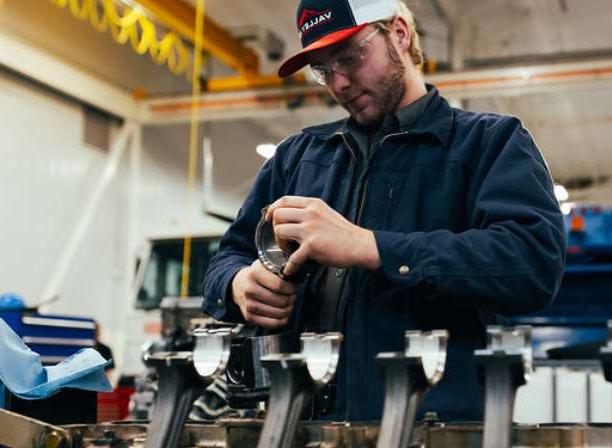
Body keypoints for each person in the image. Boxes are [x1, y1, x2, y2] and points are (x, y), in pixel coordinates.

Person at [202, 0, 565, 421]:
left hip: (433, 430)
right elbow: (225, 259)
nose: (338, 82)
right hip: (302, 427)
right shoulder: (298, 157)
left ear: (399, 33)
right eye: (322, 68)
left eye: (350, 55)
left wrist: (373, 247)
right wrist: (239, 284)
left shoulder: (489, 143)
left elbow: (533, 262)